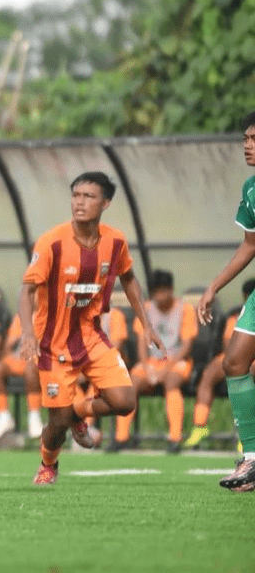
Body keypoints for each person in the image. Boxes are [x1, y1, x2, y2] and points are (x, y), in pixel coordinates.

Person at [18, 171, 163, 485]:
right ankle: (48, 464)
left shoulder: (115, 241)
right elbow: (26, 290)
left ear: (106, 202)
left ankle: (79, 412)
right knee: (56, 422)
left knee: (125, 403)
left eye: (89, 196)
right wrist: (28, 334)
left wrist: (146, 324)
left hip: (91, 336)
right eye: (76, 195)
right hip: (52, 344)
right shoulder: (52, 242)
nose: (80, 202)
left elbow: (129, 279)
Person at [195, 110, 255, 491]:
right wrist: (213, 286)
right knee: (234, 361)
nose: (248, 146)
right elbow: (250, 244)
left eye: (254, 139)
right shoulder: (251, 187)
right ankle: (252, 458)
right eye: (245, 140)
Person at [115, 269, 196, 453]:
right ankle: (121, 437)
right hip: (152, 362)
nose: (160, 296)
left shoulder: (185, 309)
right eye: (156, 292)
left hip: (177, 360)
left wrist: (166, 369)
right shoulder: (146, 309)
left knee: (171, 382)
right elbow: (142, 344)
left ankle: (174, 438)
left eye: (164, 291)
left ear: (171, 289)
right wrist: (146, 367)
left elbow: (186, 346)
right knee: (130, 383)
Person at [187, 278, 255, 449]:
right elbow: (229, 346)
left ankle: (247, 435)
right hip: (235, 357)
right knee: (209, 373)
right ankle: (200, 426)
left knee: (250, 372)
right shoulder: (237, 317)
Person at [0, 314, 44, 441]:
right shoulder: (21, 316)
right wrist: (8, 352)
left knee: (30, 369)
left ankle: (34, 416)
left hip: (39, 361)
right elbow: (10, 343)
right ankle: (3, 417)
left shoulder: (52, 314)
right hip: (18, 359)